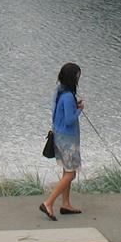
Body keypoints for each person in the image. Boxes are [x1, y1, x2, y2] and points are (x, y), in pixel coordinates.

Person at [41, 62, 84, 219]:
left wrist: (74, 107)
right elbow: (69, 120)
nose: (79, 78)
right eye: (78, 76)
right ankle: (48, 203)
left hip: (60, 136)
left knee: (67, 171)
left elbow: (62, 113)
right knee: (71, 174)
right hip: (67, 139)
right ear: (73, 78)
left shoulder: (61, 92)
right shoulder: (67, 96)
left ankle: (65, 204)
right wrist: (79, 110)